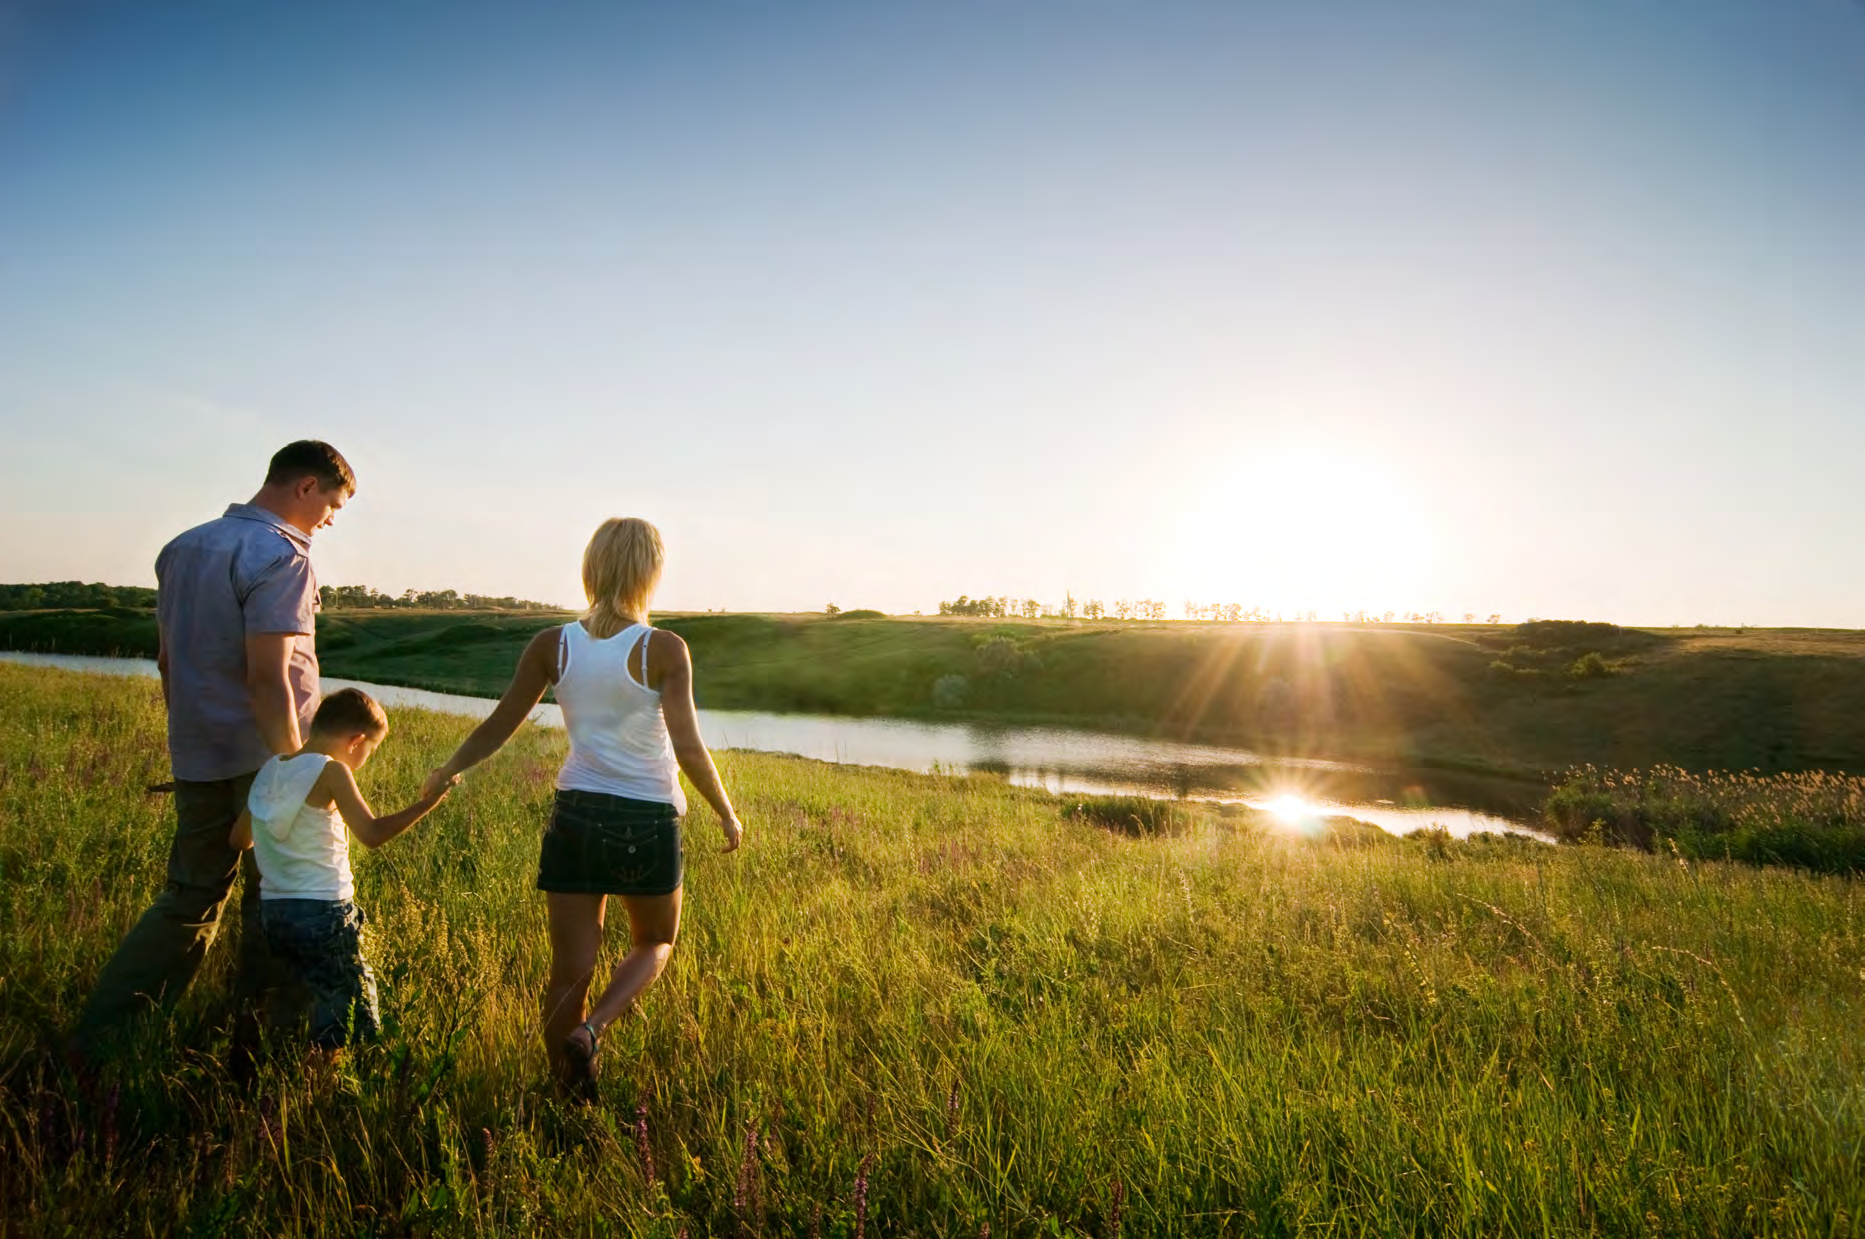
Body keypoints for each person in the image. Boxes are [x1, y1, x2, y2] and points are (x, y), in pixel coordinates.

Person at [425, 517, 743, 1096]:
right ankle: (593, 1030)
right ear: (650, 573)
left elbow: (502, 722)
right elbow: (689, 745)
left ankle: (569, 1097)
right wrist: (724, 809)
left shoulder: (553, 644)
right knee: (654, 941)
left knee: (568, 972)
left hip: (574, 812)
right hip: (645, 818)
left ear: (592, 568)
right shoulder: (663, 648)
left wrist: (450, 768)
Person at [69, 440, 354, 1062]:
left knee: (189, 896)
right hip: (267, 758)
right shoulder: (281, 554)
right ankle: (260, 1045)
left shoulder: (183, 547)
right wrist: (294, 771)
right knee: (280, 898)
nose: (331, 521)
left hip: (198, 749)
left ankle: (104, 1038)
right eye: (332, 505)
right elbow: (270, 677)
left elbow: (168, 658)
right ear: (306, 487)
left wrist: (190, 738)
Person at [231, 688, 455, 1049]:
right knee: (344, 1021)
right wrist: (430, 802)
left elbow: (239, 840)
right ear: (356, 740)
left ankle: (278, 1088)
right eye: (372, 748)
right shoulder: (332, 771)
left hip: (274, 913)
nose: (368, 756)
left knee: (294, 1007)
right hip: (325, 913)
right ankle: (319, 1095)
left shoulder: (270, 769)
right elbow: (372, 833)